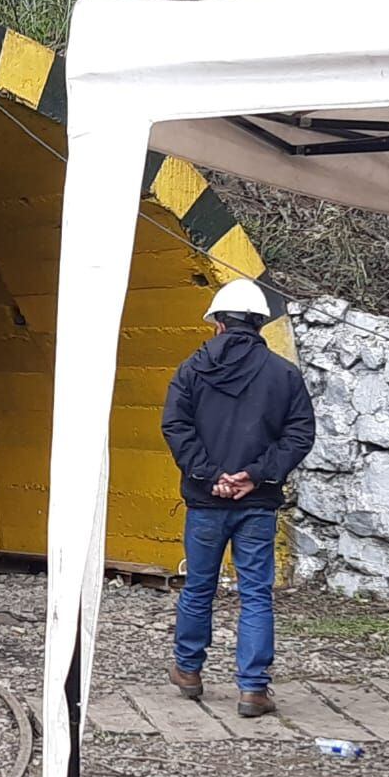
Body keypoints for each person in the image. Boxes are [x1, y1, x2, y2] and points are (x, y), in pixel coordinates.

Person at [160, 278, 316, 718]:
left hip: (205, 501)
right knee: (255, 594)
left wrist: (211, 476)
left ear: (218, 325)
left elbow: (175, 426)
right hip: (256, 502)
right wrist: (256, 475)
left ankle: (188, 670)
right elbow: (300, 433)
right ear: (260, 324)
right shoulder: (284, 374)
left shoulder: (191, 370)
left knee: (199, 587)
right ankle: (252, 689)